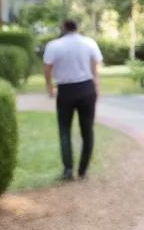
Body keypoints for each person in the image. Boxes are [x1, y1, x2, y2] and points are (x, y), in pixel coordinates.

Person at [43, 19, 103, 180]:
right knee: (87, 130)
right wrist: (96, 86)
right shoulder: (89, 43)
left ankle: (68, 169)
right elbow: (95, 66)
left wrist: (49, 86)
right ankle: (83, 170)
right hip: (87, 88)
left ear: (63, 28)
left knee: (64, 129)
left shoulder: (54, 45)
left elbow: (47, 68)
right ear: (77, 28)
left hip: (65, 90)